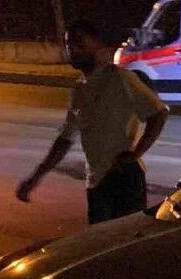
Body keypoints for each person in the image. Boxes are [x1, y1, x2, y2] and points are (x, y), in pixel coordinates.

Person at [17, 21, 169, 224]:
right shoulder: (79, 89)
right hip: (96, 183)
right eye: (68, 44)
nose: (73, 49)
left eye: (79, 42)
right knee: (99, 238)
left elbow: (159, 113)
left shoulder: (119, 78)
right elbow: (65, 138)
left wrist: (136, 153)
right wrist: (36, 177)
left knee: (122, 239)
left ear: (97, 45)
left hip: (123, 178)